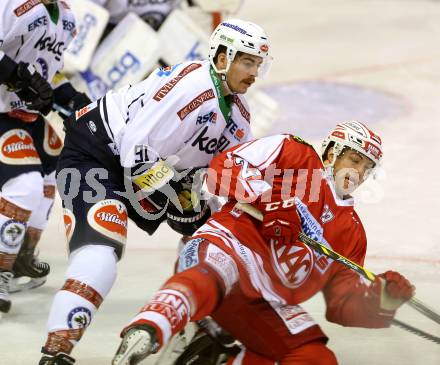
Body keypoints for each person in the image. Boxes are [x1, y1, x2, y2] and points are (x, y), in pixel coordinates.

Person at [39, 18, 272, 364]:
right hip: (97, 154)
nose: (254, 72)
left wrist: (265, 211)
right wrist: (176, 192)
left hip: (147, 172)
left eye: (258, 64)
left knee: (214, 236)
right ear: (222, 58)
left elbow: (235, 176)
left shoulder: (238, 115)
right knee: (101, 252)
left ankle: (201, 322)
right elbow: (135, 149)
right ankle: (56, 352)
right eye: (247, 61)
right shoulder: (192, 84)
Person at [112, 121, 415, 365]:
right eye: (355, 159)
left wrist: (382, 301)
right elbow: (223, 168)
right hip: (226, 248)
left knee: (316, 357)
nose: (359, 171)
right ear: (333, 151)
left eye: (368, 167)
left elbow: (342, 306)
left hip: (264, 301)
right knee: (211, 276)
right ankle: (148, 329)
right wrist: (269, 200)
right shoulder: (294, 153)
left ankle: (225, 357)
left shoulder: (351, 231)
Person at [0, 0, 90, 314]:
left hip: (25, 115)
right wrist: (17, 77)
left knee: (52, 173)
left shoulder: (65, 16)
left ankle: (21, 254)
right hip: (1, 111)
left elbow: (48, 71)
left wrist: (74, 100)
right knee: (24, 186)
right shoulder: (9, 5)